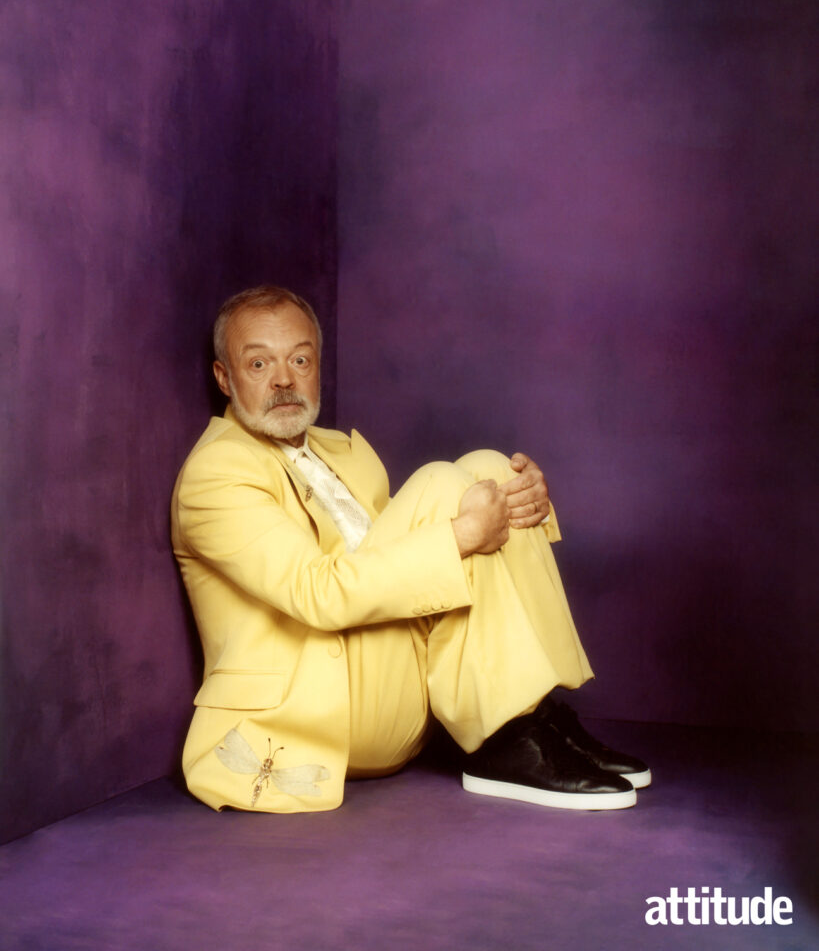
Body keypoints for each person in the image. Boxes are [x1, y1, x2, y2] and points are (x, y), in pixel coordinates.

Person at [171, 285, 650, 815]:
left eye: (300, 359)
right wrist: (465, 533)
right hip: (318, 710)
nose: (284, 380)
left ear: (317, 365)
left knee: (491, 468)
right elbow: (317, 594)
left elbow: (400, 552)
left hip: (392, 680)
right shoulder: (215, 473)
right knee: (444, 483)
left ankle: (530, 716)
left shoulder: (340, 451)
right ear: (224, 377)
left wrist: (525, 499)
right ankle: (505, 740)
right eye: (259, 363)